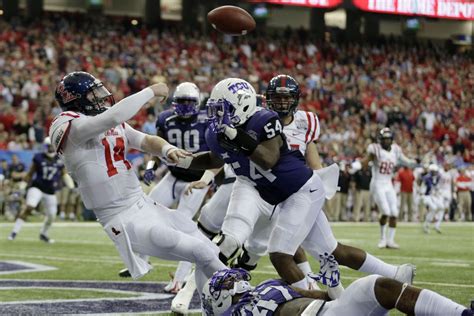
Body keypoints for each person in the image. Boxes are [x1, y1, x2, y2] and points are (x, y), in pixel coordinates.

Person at [175, 78, 415, 295]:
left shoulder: (267, 121)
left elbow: (270, 159)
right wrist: (184, 158)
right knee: (331, 251)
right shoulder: (227, 129)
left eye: (224, 110)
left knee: (281, 254)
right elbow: (217, 158)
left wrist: (232, 133)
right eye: (216, 109)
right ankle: (392, 274)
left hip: (297, 190)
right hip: (272, 192)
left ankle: (320, 303)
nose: (218, 115)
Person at [48, 71, 225, 297]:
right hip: (120, 216)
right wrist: (151, 91)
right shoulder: (66, 124)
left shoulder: (106, 120)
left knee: (209, 249)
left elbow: (145, 140)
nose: (100, 98)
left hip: (142, 203)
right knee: (199, 250)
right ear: (76, 99)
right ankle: (242, 295)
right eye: (93, 95)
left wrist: (167, 149)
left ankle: (218, 302)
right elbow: (111, 118)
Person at [119, 82, 216, 294]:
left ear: (197, 102)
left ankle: (179, 280)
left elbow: (216, 153)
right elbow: (156, 148)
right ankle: (142, 262)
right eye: (180, 101)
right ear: (173, 102)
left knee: (183, 225)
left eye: (188, 102)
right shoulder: (166, 119)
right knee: (144, 212)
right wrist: (152, 167)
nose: (184, 106)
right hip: (173, 175)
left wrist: (209, 178)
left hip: (195, 180)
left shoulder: (206, 120)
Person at [201, 261, 473, 316]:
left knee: (379, 285)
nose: (235, 283)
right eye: (227, 284)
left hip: (331, 310)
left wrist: (333, 285)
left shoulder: (268, 285)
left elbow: (322, 296)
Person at [8, 137, 75, 243]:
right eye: (48, 147)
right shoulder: (38, 157)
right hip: (37, 187)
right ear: (45, 147)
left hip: (50, 190)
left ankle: (43, 234)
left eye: (52, 147)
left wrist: (72, 187)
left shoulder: (59, 159)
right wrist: (22, 187)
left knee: (52, 215)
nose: (50, 149)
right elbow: (30, 174)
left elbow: (64, 175)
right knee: (30, 206)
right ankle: (14, 231)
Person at [362, 127, 417, 249]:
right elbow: (367, 160)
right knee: (385, 212)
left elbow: (406, 161)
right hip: (377, 183)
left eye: (388, 139)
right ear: (380, 140)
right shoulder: (375, 149)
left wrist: (413, 161)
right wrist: (357, 164)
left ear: (391, 140)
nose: (386, 141)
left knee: (394, 213)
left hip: (388, 184)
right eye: (384, 139)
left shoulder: (396, 150)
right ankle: (382, 239)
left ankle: (390, 241)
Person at [421, 164, 444, 234]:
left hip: (433, 196)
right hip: (426, 196)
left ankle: (436, 225)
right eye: (434, 171)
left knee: (441, 207)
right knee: (433, 208)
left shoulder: (437, 177)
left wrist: (437, 192)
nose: (435, 173)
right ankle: (426, 225)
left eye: (436, 171)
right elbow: (423, 188)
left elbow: (436, 187)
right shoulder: (426, 178)